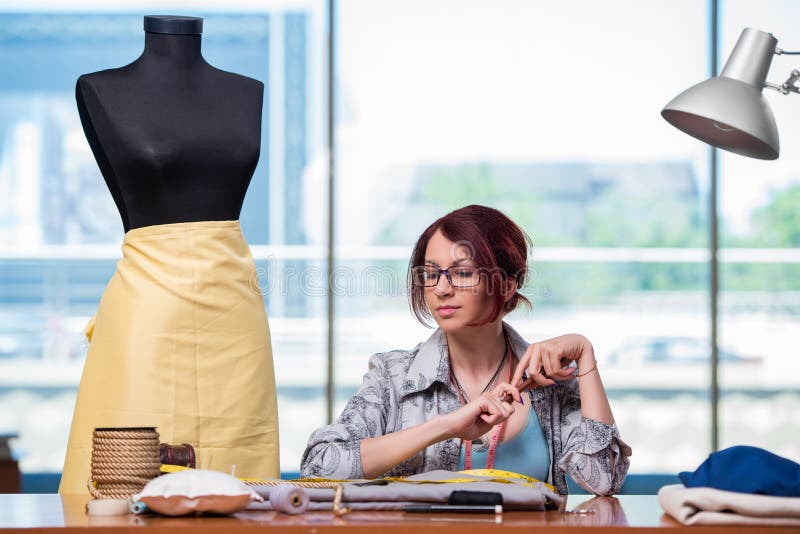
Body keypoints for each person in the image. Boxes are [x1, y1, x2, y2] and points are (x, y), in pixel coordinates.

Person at [59, 15, 279, 494]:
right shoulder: (100, 90)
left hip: (234, 312)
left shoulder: (246, 93)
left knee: (240, 465)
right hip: (147, 305)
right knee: (122, 473)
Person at [301, 204, 631, 495]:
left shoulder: (548, 377)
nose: (441, 289)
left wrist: (585, 354)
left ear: (506, 284)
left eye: (461, 273)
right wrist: (444, 426)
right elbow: (318, 468)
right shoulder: (394, 376)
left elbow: (603, 481)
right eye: (430, 274)